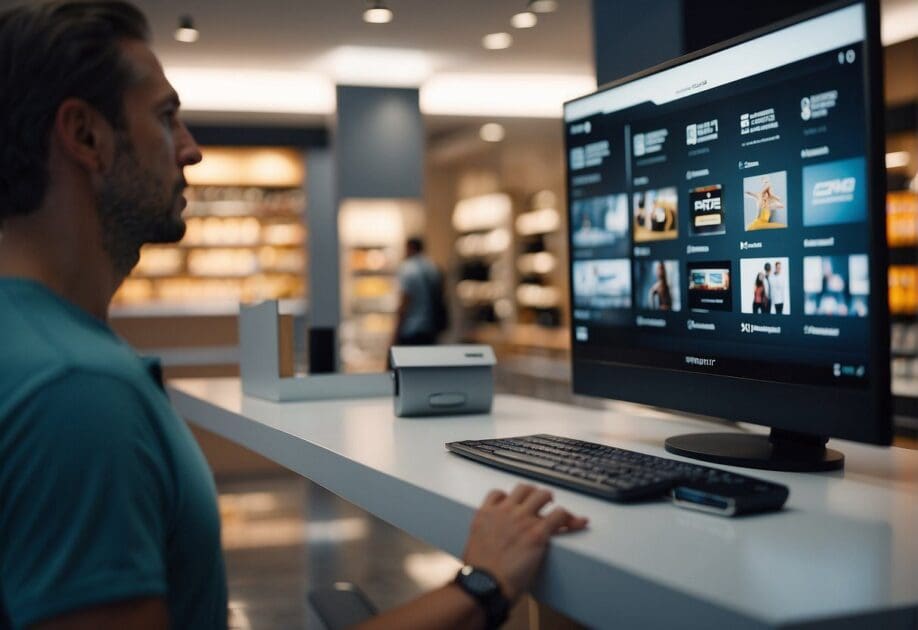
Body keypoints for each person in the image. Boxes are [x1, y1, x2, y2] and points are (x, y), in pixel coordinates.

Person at [0, 3, 588, 629]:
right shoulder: (78, 393)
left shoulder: (37, 349)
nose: (192, 150)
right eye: (167, 118)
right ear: (85, 135)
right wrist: (480, 587)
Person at [392, 236, 445, 347]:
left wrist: (395, 333)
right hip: (431, 327)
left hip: (411, 328)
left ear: (410, 248)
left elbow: (405, 301)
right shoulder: (432, 267)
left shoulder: (408, 269)